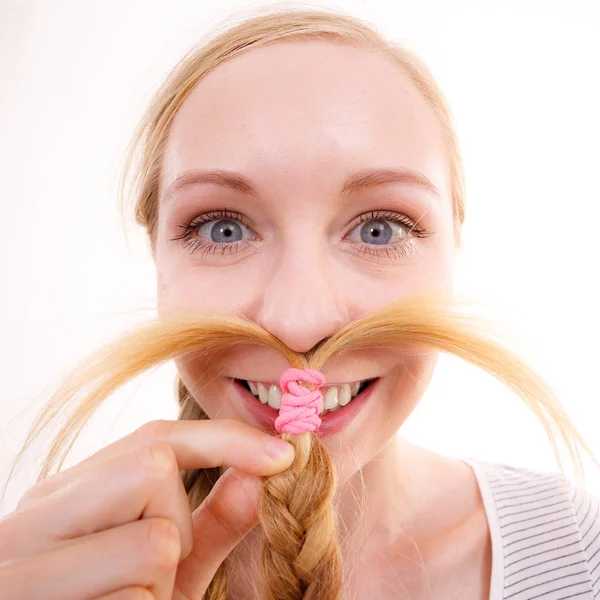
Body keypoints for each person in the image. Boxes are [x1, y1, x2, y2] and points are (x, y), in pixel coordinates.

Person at [1, 6, 599, 600]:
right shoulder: (47, 572)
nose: (301, 321)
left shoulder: (580, 554)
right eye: (222, 228)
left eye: (380, 229)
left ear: (454, 249)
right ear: (157, 255)